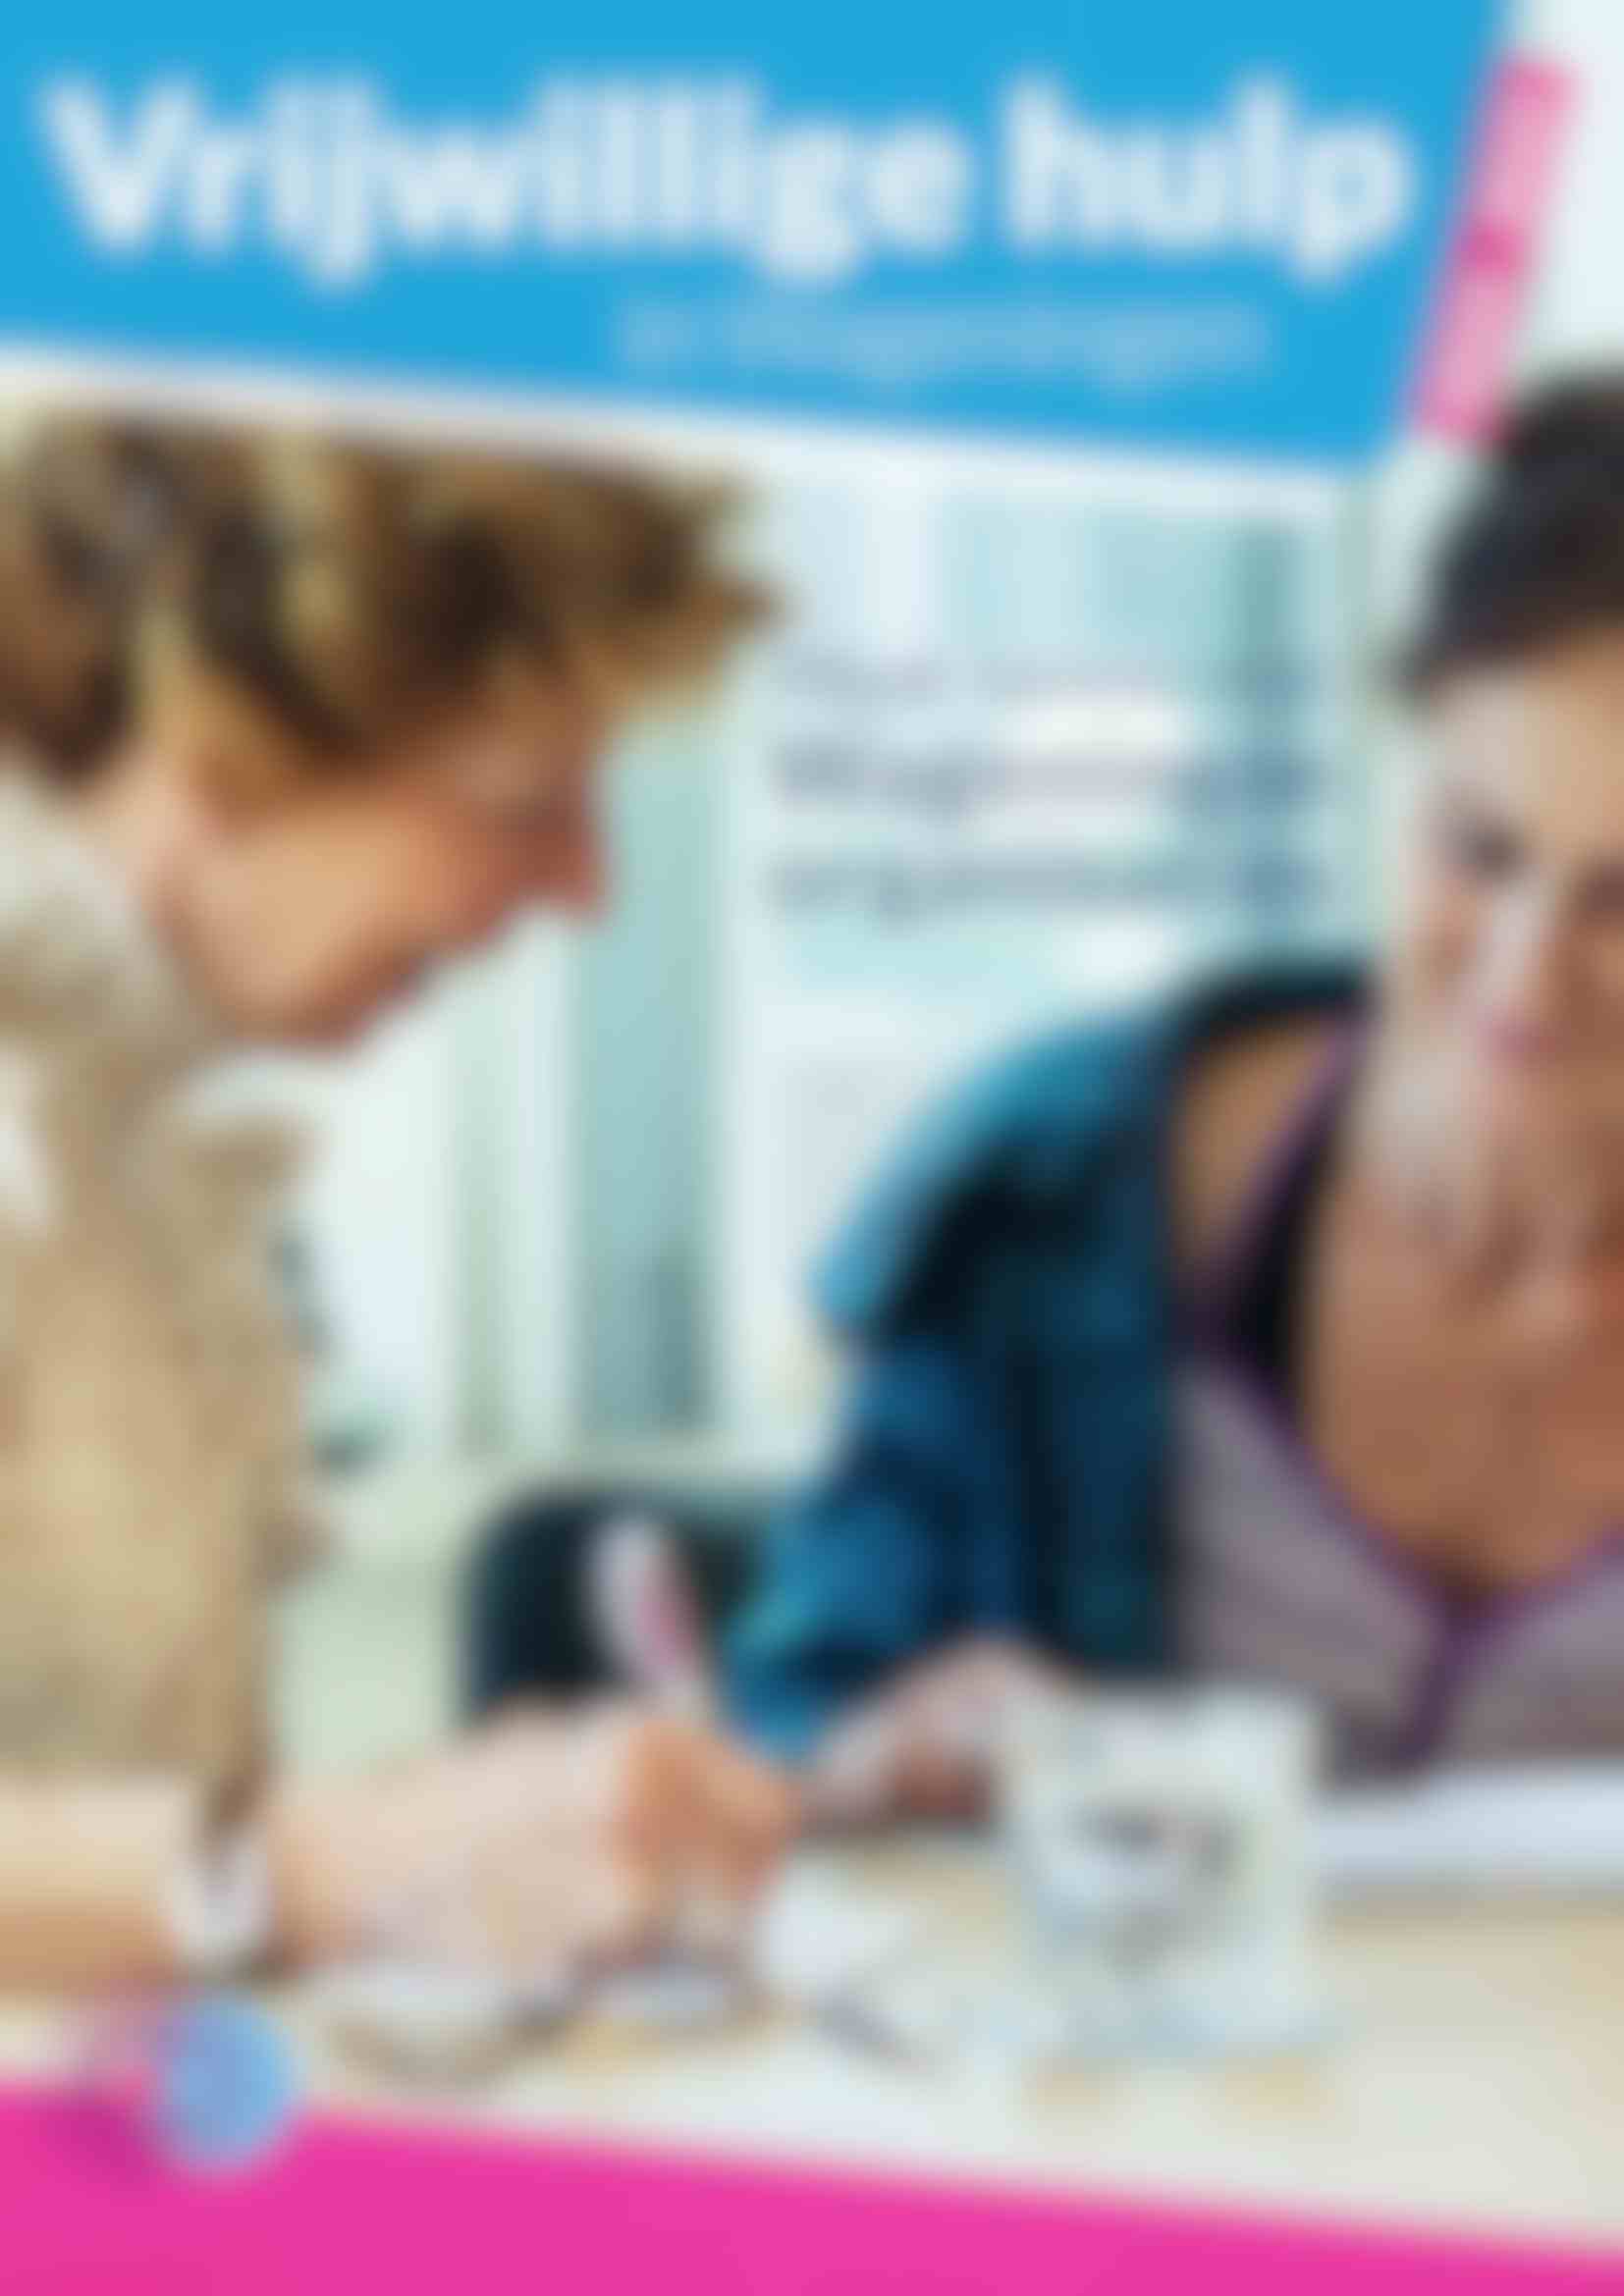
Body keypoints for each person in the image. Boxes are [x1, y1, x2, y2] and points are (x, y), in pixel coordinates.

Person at [469, 376, 1624, 1821]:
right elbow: (787, 1723)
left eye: (1620, 902)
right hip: (1160, 2046)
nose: (1523, 974)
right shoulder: (1051, 1197)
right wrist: (878, 1749)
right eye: (1477, 849)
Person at [0, 408, 793, 1991]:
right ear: (217, 747)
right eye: (520, 800)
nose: (587, 889)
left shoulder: (131, 1135)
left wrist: (477, 1834)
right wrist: (320, 1865)